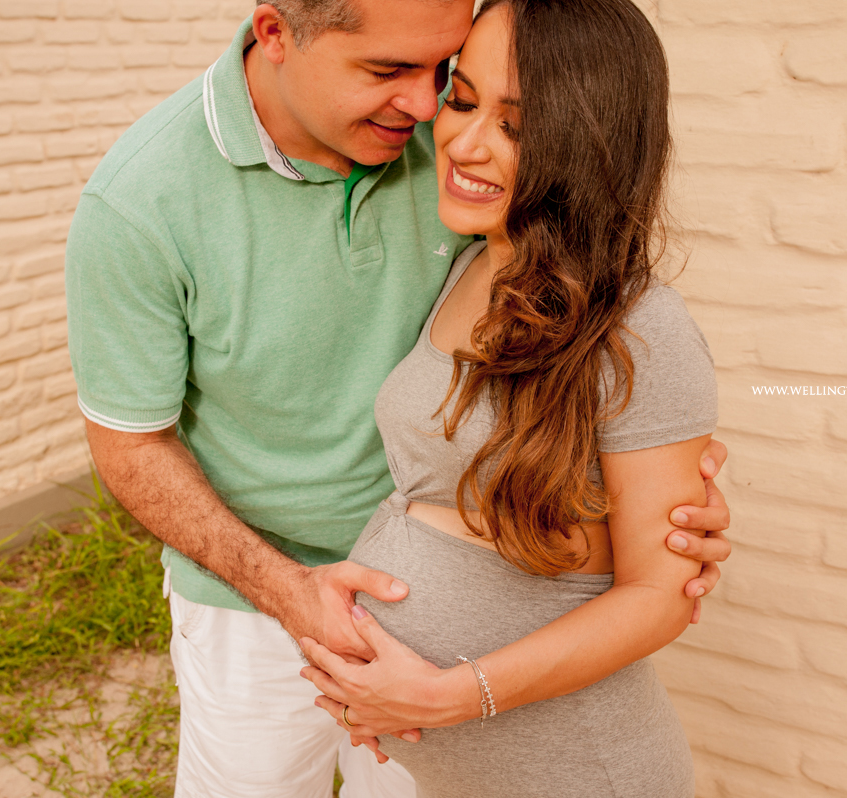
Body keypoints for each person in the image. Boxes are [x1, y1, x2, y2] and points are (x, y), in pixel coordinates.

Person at [64, 0, 733, 794]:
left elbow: (597, 355)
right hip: (255, 598)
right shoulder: (141, 202)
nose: (425, 107)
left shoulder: (458, 159)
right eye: (392, 72)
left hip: (463, 698)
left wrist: (645, 499)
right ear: (276, 35)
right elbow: (131, 446)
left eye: (443, 73)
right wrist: (289, 592)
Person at [298, 0, 710, 794]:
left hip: (574, 771)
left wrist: (447, 696)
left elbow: (661, 596)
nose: (465, 142)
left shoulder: (639, 325)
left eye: (515, 126)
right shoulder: (472, 263)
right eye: (461, 101)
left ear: (586, 144)